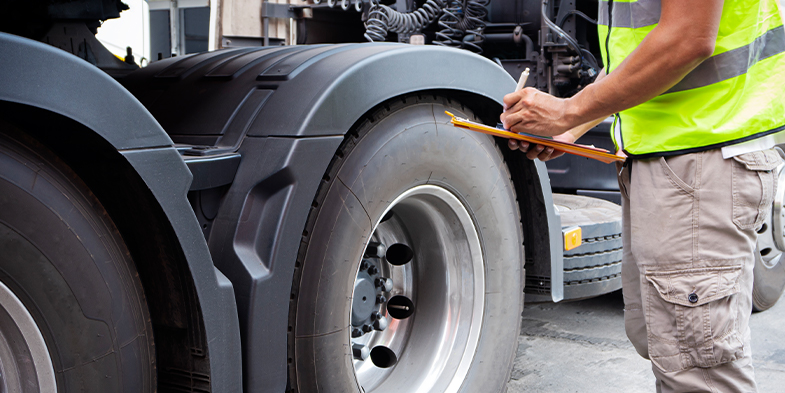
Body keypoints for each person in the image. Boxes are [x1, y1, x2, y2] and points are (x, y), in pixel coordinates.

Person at [501, 0, 785, 392]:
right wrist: (573, 125)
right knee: (670, 348)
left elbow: (687, 38)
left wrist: (567, 111)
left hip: (701, 160)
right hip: (677, 162)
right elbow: (638, 52)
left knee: (698, 369)